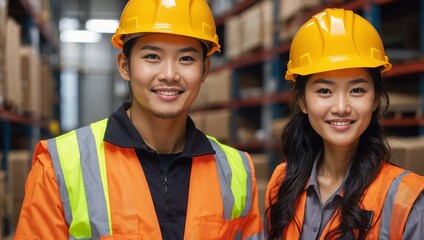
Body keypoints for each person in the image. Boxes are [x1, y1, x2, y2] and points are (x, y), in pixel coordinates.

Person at [14, 0, 263, 239]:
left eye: (186, 58)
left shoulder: (236, 170)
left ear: (205, 70)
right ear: (124, 66)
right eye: (152, 56)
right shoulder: (59, 166)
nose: (169, 74)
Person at [264, 8, 424, 240]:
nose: (341, 106)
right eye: (324, 90)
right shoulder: (281, 184)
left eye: (357, 90)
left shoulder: (408, 200)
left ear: (375, 99)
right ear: (302, 101)